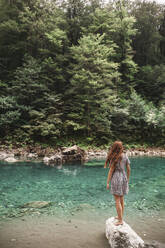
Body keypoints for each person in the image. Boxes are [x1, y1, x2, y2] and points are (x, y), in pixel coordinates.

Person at [104, 141, 131, 226]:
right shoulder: (125, 156)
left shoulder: (115, 157)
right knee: (121, 199)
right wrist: (128, 179)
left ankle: (120, 220)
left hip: (116, 178)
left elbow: (111, 170)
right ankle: (120, 216)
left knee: (117, 200)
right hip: (124, 177)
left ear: (114, 148)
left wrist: (108, 182)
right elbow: (129, 169)